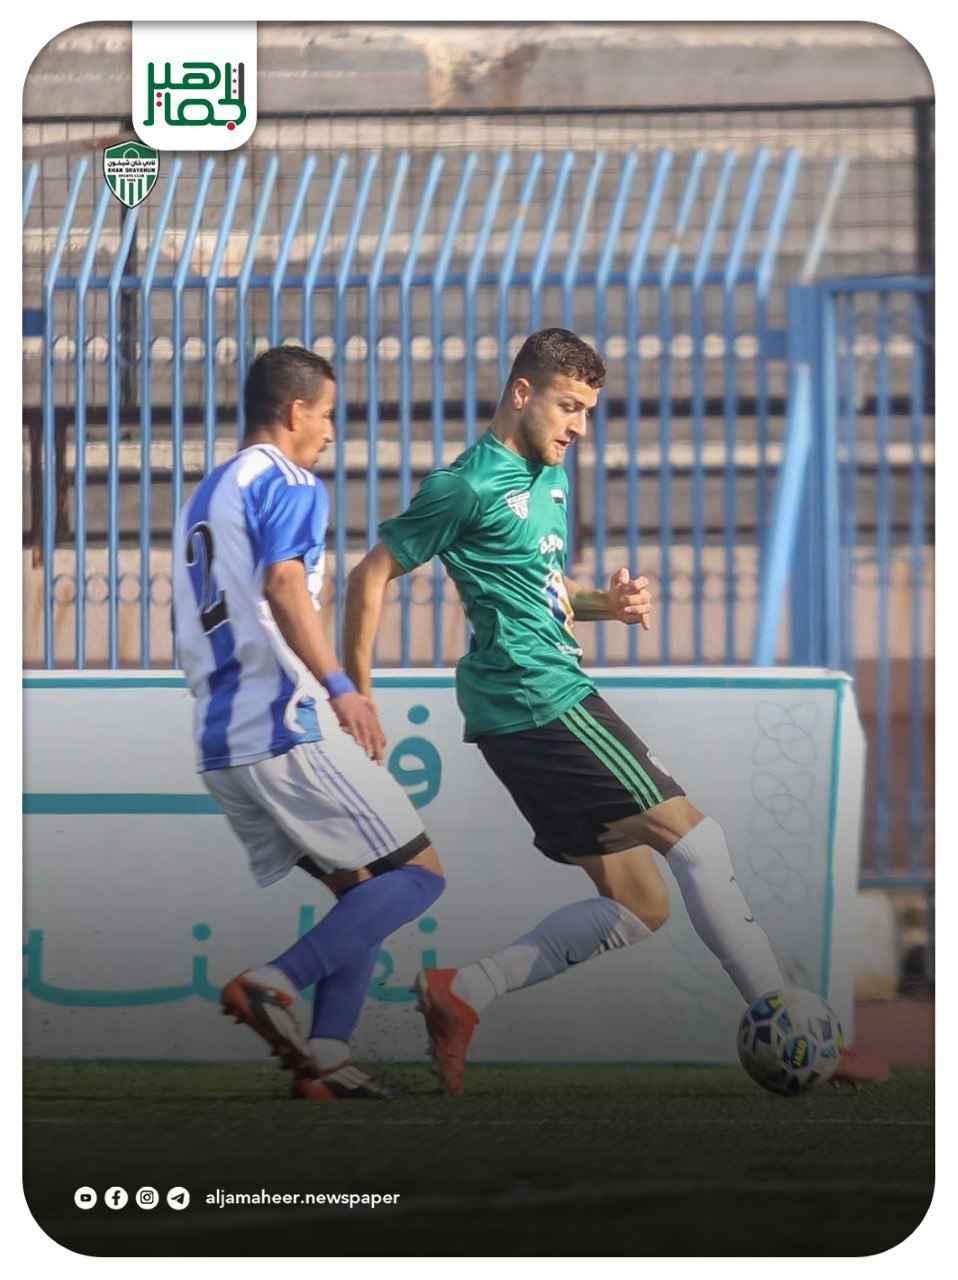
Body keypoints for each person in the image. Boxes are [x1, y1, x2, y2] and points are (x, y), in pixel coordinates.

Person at [343, 327, 888, 1095]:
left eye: (589, 411)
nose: (579, 426)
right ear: (522, 393)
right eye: (568, 406)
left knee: (640, 904)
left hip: (519, 713)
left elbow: (543, 586)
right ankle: (787, 1021)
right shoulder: (464, 486)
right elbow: (369, 576)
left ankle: (462, 992)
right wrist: (356, 691)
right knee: (699, 842)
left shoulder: (549, 478)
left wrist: (607, 603)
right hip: (539, 697)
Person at [172, 346, 445, 1101]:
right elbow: (285, 583)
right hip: (281, 720)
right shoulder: (289, 481)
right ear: (295, 411)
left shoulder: (208, 492)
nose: (329, 431)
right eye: (326, 415)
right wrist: (341, 688)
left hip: (219, 737)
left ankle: (325, 1057)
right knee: (418, 876)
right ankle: (273, 982)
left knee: (361, 887)